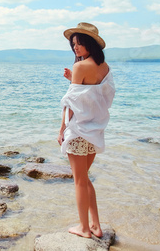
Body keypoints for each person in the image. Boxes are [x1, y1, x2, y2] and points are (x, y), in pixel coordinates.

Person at [57, 22, 115, 238]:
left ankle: (84, 229)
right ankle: (96, 226)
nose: (76, 48)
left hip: (79, 131)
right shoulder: (104, 67)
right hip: (94, 132)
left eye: (80, 43)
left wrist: (62, 129)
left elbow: (70, 102)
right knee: (86, 178)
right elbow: (96, 96)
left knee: (79, 180)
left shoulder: (81, 67)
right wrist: (73, 79)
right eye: (73, 44)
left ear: (90, 43)